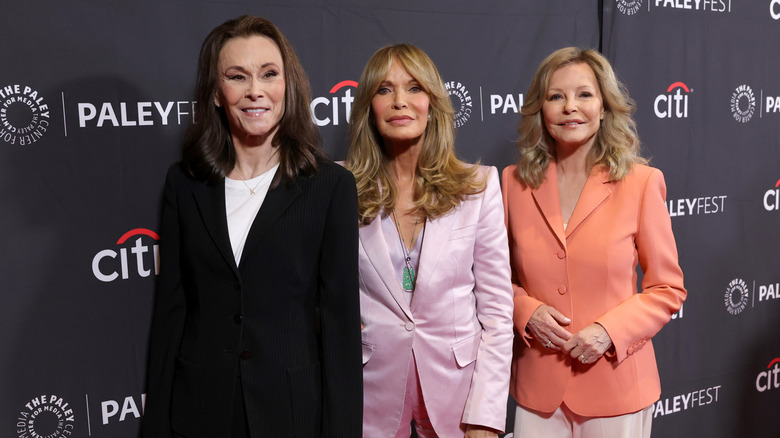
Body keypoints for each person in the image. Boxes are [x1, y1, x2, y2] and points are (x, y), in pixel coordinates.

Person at [142, 15, 362, 438]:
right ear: (216, 94)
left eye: (268, 74)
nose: (255, 91)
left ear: (287, 86)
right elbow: (171, 312)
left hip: (292, 412)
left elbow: (339, 328)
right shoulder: (184, 183)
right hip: (200, 409)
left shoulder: (329, 186)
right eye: (237, 76)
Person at [502, 46, 687, 437]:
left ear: (604, 107)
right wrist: (525, 310)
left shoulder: (641, 183)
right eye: (556, 96)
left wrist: (609, 331)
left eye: (584, 94)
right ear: (541, 109)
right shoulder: (511, 184)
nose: (571, 107)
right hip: (537, 388)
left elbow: (667, 288)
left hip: (616, 386)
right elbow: (494, 278)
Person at [345, 43, 514, 438]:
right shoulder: (338, 188)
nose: (400, 101)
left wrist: (486, 417)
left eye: (414, 88)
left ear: (433, 102)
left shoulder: (479, 186)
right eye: (384, 90)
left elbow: (497, 314)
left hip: (458, 399)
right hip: (369, 399)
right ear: (368, 106)